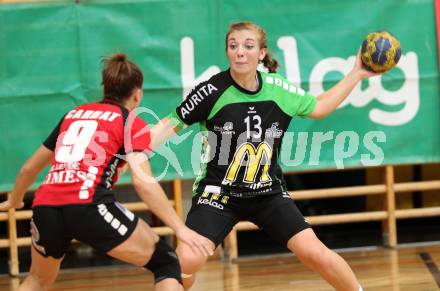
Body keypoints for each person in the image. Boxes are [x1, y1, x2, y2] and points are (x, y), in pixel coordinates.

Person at [150, 22, 379, 291]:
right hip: (218, 194)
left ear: (261, 53)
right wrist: (132, 149)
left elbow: (320, 107)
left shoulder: (278, 89)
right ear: (227, 51)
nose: (240, 52)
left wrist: (356, 74)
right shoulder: (211, 91)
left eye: (248, 46)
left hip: (267, 192)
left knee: (316, 253)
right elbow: (170, 123)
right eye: (233, 46)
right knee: (187, 259)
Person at [0, 53, 213, 291]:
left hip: (45, 206)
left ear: (105, 88)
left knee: (37, 280)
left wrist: (16, 199)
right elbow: (143, 183)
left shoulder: (73, 115)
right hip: (88, 206)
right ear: (138, 94)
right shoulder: (131, 122)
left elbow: (28, 169)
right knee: (167, 262)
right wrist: (180, 228)